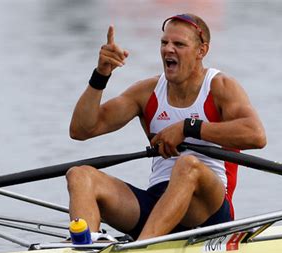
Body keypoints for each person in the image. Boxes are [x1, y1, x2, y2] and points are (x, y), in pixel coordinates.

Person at [66, 13, 266, 241]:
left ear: (201, 51)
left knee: (188, 164)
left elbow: (256, 135)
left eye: (179, 44)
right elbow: (81, 130)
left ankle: (142, 248)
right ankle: (83, 249)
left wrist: (189, 128)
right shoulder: (147, 91)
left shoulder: (220, 87)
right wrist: (101, 74)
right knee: (80, 175)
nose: (168, 49)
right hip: (157, 204)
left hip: (208, 212)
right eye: (164, 43)